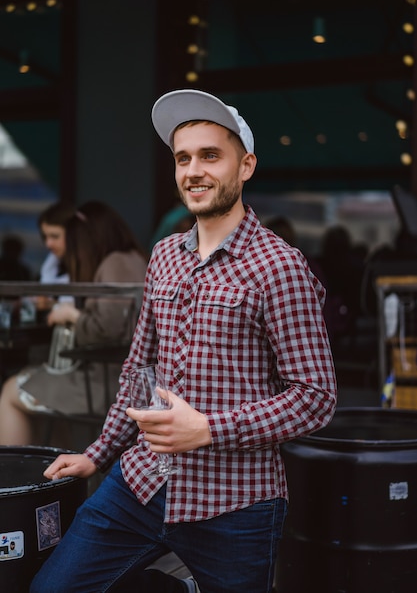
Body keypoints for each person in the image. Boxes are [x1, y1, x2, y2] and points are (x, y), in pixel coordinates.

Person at [29, 89, 337, 593]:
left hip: (236, 501)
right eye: (183, 158)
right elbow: (138, 365)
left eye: (210, 156)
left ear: (246, 166)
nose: (193, 170)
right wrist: (99, 453)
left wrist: (209, 429)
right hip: (144, 482)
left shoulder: (280, 267)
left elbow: (316, 398)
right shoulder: (165, 254)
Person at [0, 200, 148, 447]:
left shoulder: (116, 263)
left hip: (107, 383)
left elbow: (109, 330)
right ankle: (53, 477)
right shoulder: (130, 259)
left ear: (90, 237)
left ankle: (16, 478)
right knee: (37, 395)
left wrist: (72, 315)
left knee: (10, 392)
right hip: (114, 377)